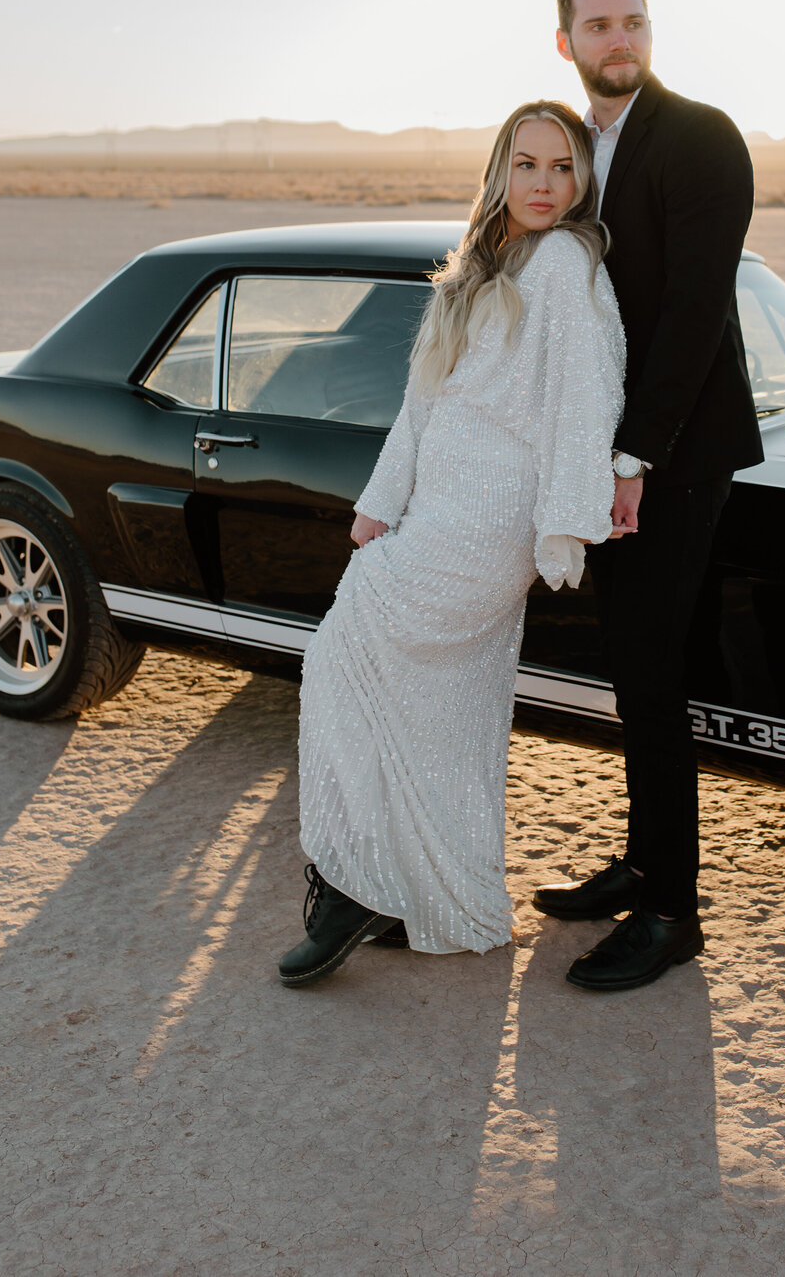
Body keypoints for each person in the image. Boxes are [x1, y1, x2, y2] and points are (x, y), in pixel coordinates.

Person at [278, 100, 626, 984]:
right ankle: (414, 888)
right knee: (436, 715)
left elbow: (589, 398)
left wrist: (563, 529)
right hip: (437, 504)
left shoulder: (566, 263)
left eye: (563, 167)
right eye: (527, 164)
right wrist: (379, 504)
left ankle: (349, 881)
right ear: (500, 170)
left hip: (492, 518)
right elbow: (422, 400)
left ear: (582, 181)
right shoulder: (480, 263)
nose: (545, 184)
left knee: (337, 662)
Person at [533, 0, 762, 993]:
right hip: (606, 451)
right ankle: (641, 860)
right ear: (566, 43)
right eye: (597, 25)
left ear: (649, 31)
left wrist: (636, 458)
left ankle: (674, 912)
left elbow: (695, 312)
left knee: (654, 679)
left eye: (631, 21)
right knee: (629, 672)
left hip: (672, 456)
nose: (617, 38)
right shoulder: (580, 150)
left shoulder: (700, 134)